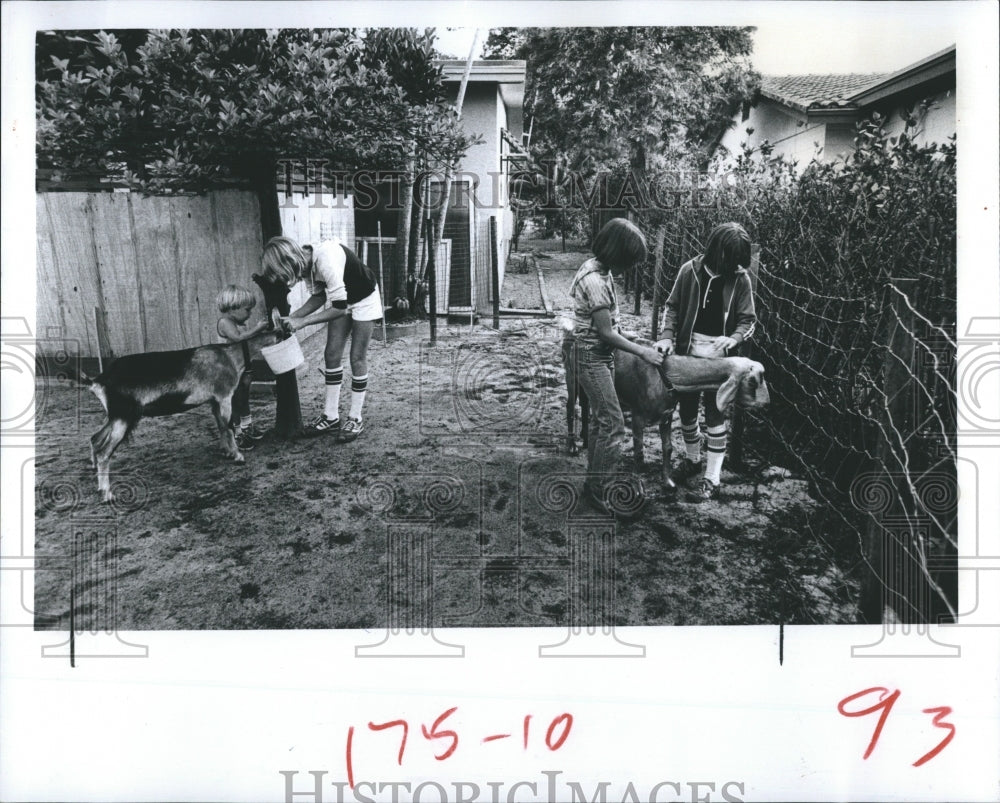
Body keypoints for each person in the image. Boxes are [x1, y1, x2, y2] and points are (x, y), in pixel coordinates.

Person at [565, 218, 663, 515]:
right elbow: (606, 334)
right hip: (590, 356)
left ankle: (592, 484)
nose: (631, 268)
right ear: (617, 253)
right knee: (614, 424)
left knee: (599, 422)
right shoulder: (595, 280)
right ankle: (599, 490)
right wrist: (643, 352)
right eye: (630, 261)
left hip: (598, 354)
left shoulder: (601, 270)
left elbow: (608, 326)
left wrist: (631, 336)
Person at [656, 222, 757, 502]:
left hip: (720, 360)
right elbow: (672, 306)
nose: (735, 266)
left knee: (715, 413)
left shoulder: (741, 279)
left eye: (740, 261)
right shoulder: (689, 271)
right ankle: (692, 460)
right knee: (687, 410)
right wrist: (667, 337)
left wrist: (734, 339)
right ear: (715, 251)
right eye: (731, 259)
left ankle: (712, 478)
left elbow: (749, 320)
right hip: (688, 354)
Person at [260, 236, 382, 442]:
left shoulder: (325, 259)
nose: (289, 279)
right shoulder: (305, 264)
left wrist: (303, 322)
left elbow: (339, 309)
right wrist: (293, 317)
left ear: (287, 262)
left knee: (357, 358)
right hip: (343, 300)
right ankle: (331, 416)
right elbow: (319, 297)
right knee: (331, 354)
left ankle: (355, 418)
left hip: (364, 298)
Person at [215, 284, 269, 450]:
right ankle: (236, 434)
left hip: (242, 367)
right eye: (247, 310)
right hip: (229, 371)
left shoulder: (238, 323)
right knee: (234, 401)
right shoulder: (225, 322)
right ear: (233, 308)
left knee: (244, 398)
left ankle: (247, 426)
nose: (250, 313)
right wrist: (258, 329)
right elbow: (238, 338)